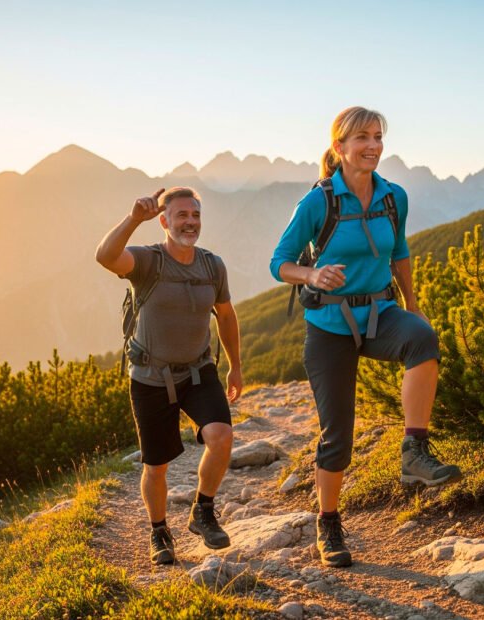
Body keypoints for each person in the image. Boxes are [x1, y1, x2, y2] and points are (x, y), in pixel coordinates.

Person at [269, 106, 461, 568]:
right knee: (338, 435)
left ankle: (414, 452)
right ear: (339, 147)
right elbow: (280, 262)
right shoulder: (318, 202)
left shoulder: (394, 197)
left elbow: (400, 253)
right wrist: (312, 275)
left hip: (381, 313)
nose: (372, 145)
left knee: (423, 339)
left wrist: (412, 307)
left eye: (378, 137)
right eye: (361, 138)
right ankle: (328, 523)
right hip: (329, 327)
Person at [96, 186, 242, 565]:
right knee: (155, 465)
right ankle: (159, 531)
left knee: (221, 436)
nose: (190, 222)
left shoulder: (213, 266)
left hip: (198, 371)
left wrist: (235, 366)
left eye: (195, 215)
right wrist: (132, 219)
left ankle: (203, 510)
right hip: (149, 376)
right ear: (164, 221)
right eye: (181, 216)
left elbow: (225, 316)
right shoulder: (148, 261)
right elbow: (105, 256)